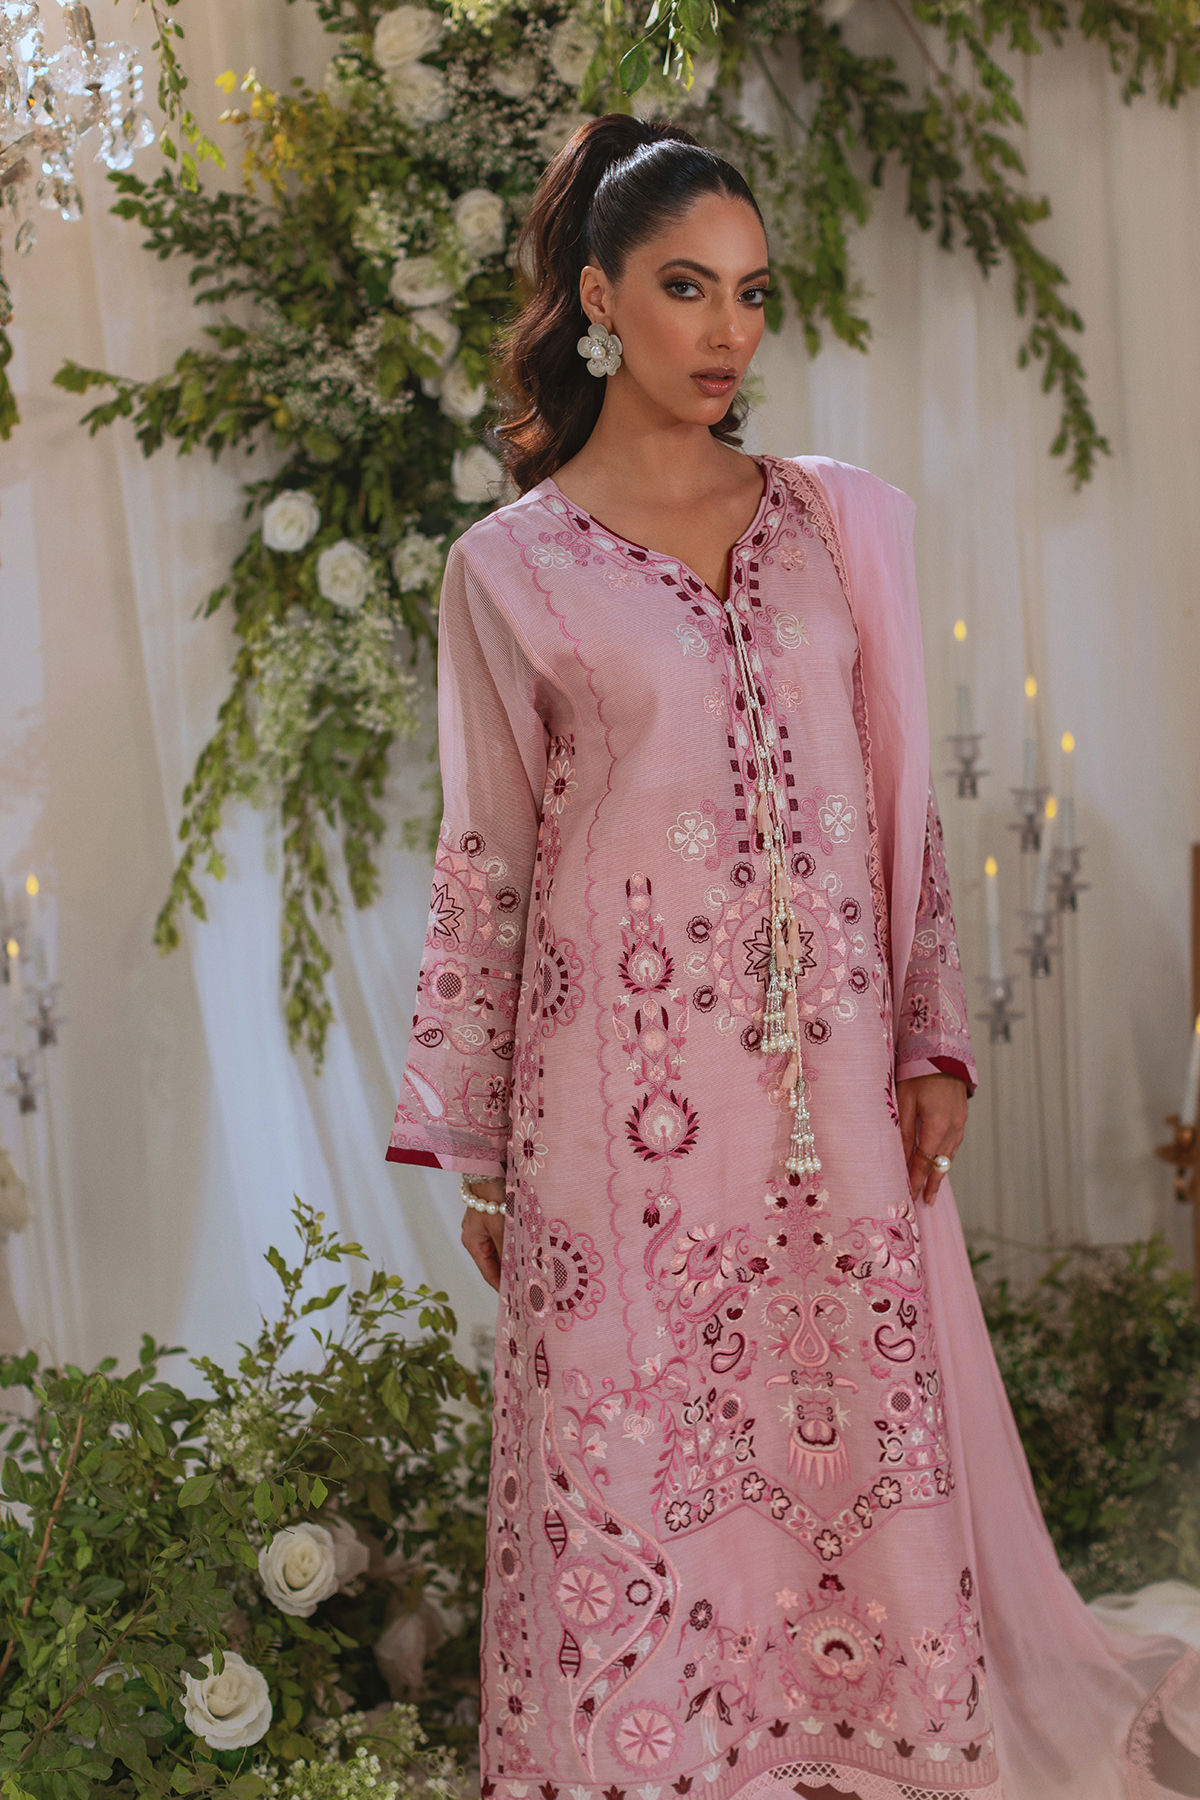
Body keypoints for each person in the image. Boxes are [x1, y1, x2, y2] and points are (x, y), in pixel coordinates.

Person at [386, 112, 1200, 1800]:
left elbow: (897, 803)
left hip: (825, 1088)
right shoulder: (511, 571)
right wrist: (482, 1150)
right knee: (638, 1442)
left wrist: (927, 1036)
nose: (728, 332)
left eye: (752, 293)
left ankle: (862, 1751)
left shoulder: (832, 528)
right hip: (614, 1113)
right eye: (687, 287)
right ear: (598, 297)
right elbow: (490, 864)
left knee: (839, 1439)